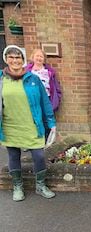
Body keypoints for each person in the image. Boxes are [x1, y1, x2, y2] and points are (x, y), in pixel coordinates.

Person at [0, 45, 56, 201]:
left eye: (18, 57)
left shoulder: (33, 79)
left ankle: (41, 185)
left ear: (23, 60)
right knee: (13, 155)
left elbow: (45, 102)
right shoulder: (1, 79)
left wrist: (51, 122)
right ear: (6, 59)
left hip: (32, 124)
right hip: (10, 125)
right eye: (11, 57)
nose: (15, 60)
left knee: (38, 155)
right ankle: (17, 186)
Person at [25, 49, 62, 138]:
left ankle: (46, 141)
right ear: (33, 57)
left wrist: (57, 98)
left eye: (41, 56)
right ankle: (33, 140)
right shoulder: (26, 72)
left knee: (46, 120)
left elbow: (55, 86)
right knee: (33, 120)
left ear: (44, 59)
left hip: (46, 99)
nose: (39, 58)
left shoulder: (49, 72)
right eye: (37, 56)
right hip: (32, 100)